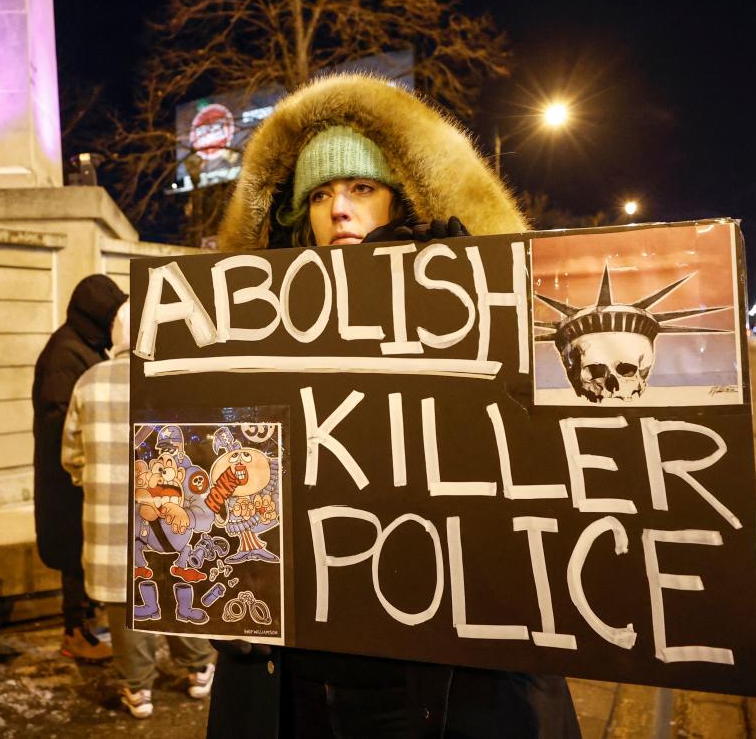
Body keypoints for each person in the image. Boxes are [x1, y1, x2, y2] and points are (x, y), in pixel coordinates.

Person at [210, 73, 581, 738]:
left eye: (361, 187)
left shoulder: (474, 311)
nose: (340, 210)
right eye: (319, 194)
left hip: (447, 671)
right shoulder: (248, 333)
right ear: (298, 215)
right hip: (301, 671)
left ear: (400, 198)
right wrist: (221, 591)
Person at [62, 299, 217, 719]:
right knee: (176, 584)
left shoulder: (90, 382)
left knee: (124, 599)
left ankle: (137, 690)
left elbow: (72, 456)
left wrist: (93, 481)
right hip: (172, 515)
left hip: (110, 519)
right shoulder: (177, 381)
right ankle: (199, 666)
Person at [32, 274, 124, 662]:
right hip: (67, 479)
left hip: (78, 474)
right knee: (74, 555)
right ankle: (75, 632)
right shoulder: (66, 353)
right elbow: (61, 418)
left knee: (80, 551)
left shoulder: (83, 346)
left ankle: (84, 624)